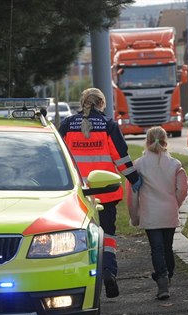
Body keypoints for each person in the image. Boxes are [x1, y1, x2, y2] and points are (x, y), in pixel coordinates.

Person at [59, 88, 142, 298]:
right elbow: (121, 158)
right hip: (105, 193)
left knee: (77, 240)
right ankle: (108, 272)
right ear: (102, 104)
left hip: (75, 196)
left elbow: (57, 157)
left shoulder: (68, 125)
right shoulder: (108, 125)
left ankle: (78, 281)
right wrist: (135, 180)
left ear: (82, 101)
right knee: (107, 236)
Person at [126, 127, 188, 300]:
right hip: (168, 212)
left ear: (147, 141)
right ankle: (170, 273)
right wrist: (175, 203)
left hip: (150, 212)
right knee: (167, 247)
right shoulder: (175, 164)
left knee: (156, 248)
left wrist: (134, 216)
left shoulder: (138, 165)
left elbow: (132, 194)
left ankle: (161, 280)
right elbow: (182, 189)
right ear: (165, 141)